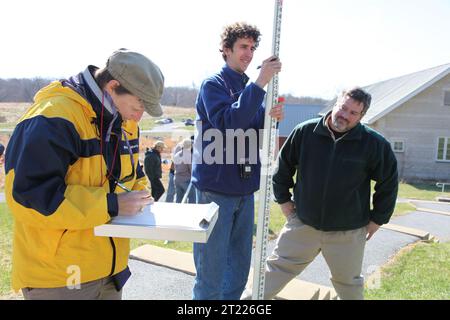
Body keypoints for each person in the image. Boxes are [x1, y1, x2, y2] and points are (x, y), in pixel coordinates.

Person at [4, 49, 164, 300]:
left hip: (110, 272)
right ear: (112, 86)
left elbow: (133, 173)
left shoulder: (124, 120)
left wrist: (141, 193)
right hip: (59, 279)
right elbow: (29, 196)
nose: (138, 115)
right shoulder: (53, 117)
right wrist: (112, 204)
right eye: (139, 105)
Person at [245, 87, 398, 300]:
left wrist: (378, 219)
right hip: (303, 225)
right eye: (343, 108)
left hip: (348, 233)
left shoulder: (374, 144)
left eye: (353, 113)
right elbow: (282, 167)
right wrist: (283, 199)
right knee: (270, 277)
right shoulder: (305, 132)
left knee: (350, 289)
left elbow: (388, 184)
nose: (345, 115)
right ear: (335, 104)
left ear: (362, 116)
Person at [191, 22, 283, 300]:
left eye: (252, 48)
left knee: (239, 272)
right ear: (226, 49)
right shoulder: (213, 85)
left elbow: (256, 134)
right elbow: (230, 124)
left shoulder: (251, 88)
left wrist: (272, 118)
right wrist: (260, 84)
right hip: (215, 192)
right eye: (243, 47)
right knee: (212, 276)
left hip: (245, 190)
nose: (249, 53)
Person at [173, 138, 195, 203]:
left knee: (178, 198)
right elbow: (191, 170)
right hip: (186, 180)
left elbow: (175, 166)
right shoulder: (189, 155)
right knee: (192, 198)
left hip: (177, 178)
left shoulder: (177, 154)